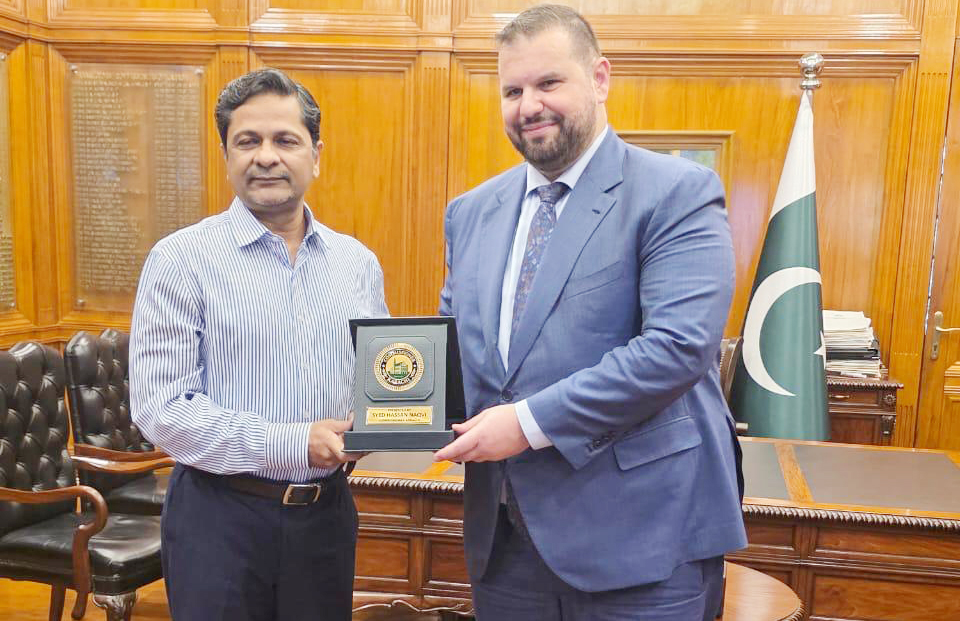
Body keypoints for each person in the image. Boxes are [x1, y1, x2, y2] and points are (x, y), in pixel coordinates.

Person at [434, 5, 747, 620]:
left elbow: (677, 348)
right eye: (512, 91)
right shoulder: (470, 212)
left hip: (643, 542)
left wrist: (526, 423)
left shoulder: (675, 192)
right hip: (507, 544)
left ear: (600, 78)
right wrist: (386, 414)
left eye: (549, 83)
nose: (529, 106)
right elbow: (455, 354)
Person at [129, 68, 387, 621]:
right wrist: (295, 443)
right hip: (219, 521)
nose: (266, 156)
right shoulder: (180, 260)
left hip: (326, 519)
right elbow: (162, 410)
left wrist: (382, 424)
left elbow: (375, 381)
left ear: (316, 155)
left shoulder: (357, 264)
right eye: (248, 141)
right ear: (227, 155)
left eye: (285, 140)